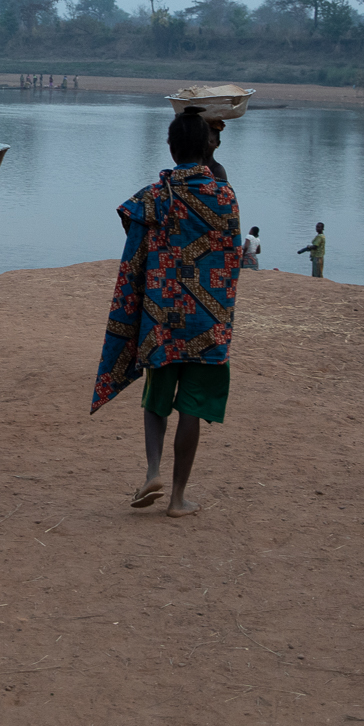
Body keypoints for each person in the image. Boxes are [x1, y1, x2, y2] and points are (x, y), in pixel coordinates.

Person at [92, 108, 241, 519]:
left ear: (171, 149)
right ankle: (177, 498)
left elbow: (133, 231)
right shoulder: (224, 194)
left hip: (163, 317)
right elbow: (231, 251)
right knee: (192, 407)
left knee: (156, 399)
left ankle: (152, 471)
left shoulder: (156, 196)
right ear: (208, 146)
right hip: (208, 322)